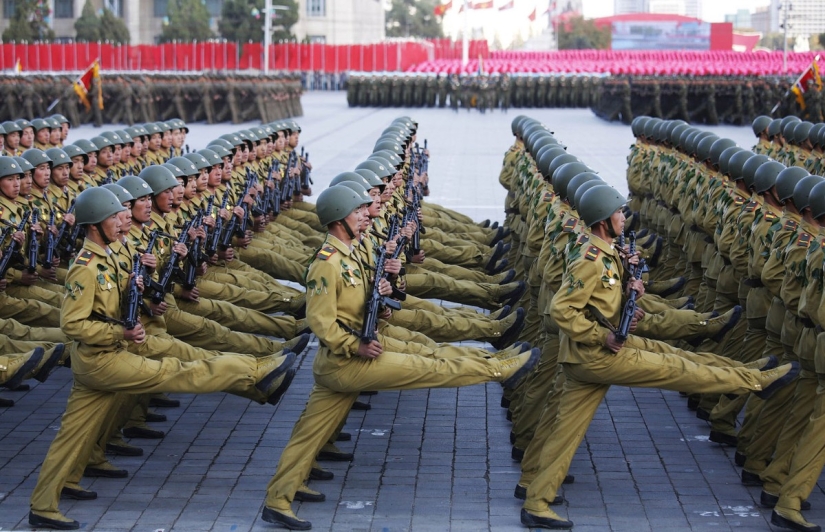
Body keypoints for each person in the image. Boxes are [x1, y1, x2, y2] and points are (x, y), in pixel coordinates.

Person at [519, 185, 800, 530]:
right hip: (597, 356)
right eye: (619, 213)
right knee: (678, 367)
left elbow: (599, 304)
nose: (624, 217)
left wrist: (629, 292)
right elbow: (561, 309)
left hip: (585, 358)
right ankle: (757, 381)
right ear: (605, 221)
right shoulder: (591, 259)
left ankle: (536, 499)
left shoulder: (603, 253)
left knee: (565, 432)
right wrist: (602, 335)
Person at [260, 184, 539, 530]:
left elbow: (365, 307)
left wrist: (387, 293)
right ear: (337, 219)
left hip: (345, 361)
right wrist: (355, 345)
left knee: (308, 435)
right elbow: (320, 322)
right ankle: (500, 368)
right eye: (357, 211)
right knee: (430, 367)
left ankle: (279, 497)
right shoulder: (327, 265)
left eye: (364, 209)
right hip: (349, 362)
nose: (365, 214)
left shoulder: (354, 253)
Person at [27, 187, 297, 530]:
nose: (121, 221)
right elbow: (72, 323)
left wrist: (139, 287)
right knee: (181, 371)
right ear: (95, 225)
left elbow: (116, 301)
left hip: (100, 360)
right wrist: (119, 334)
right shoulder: (85, 266)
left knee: (72, 435)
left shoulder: (109, 255)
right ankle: (255, 372)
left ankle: (43, 504)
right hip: (104, 360)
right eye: (114, 216)